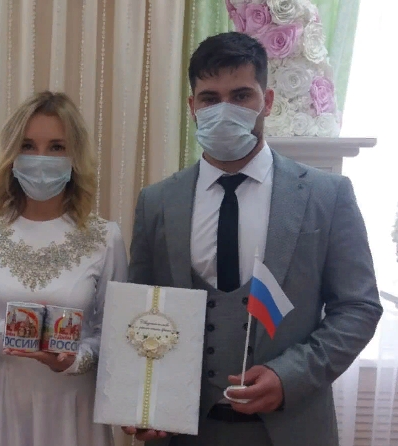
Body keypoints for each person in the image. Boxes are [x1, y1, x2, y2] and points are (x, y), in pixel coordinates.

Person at [122, 32, 383, 446]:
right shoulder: (156, 202)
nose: (224, 109)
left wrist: (290, 375)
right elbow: (139, 311)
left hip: (293, 429)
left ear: (268, 101)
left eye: (241, 95)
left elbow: (358, 307)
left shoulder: (327, 195)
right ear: (192, 107)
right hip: (183, 431)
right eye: (210, 99)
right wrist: (138, 399)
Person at [0, 91, 127, 446]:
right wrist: (10, 333)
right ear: (11, 155)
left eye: (56, 147)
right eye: (28, 146)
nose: (40, 158)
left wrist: (73, 360)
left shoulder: (105, 238)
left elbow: (112, 336)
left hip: (71, 407)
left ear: (75, 157)